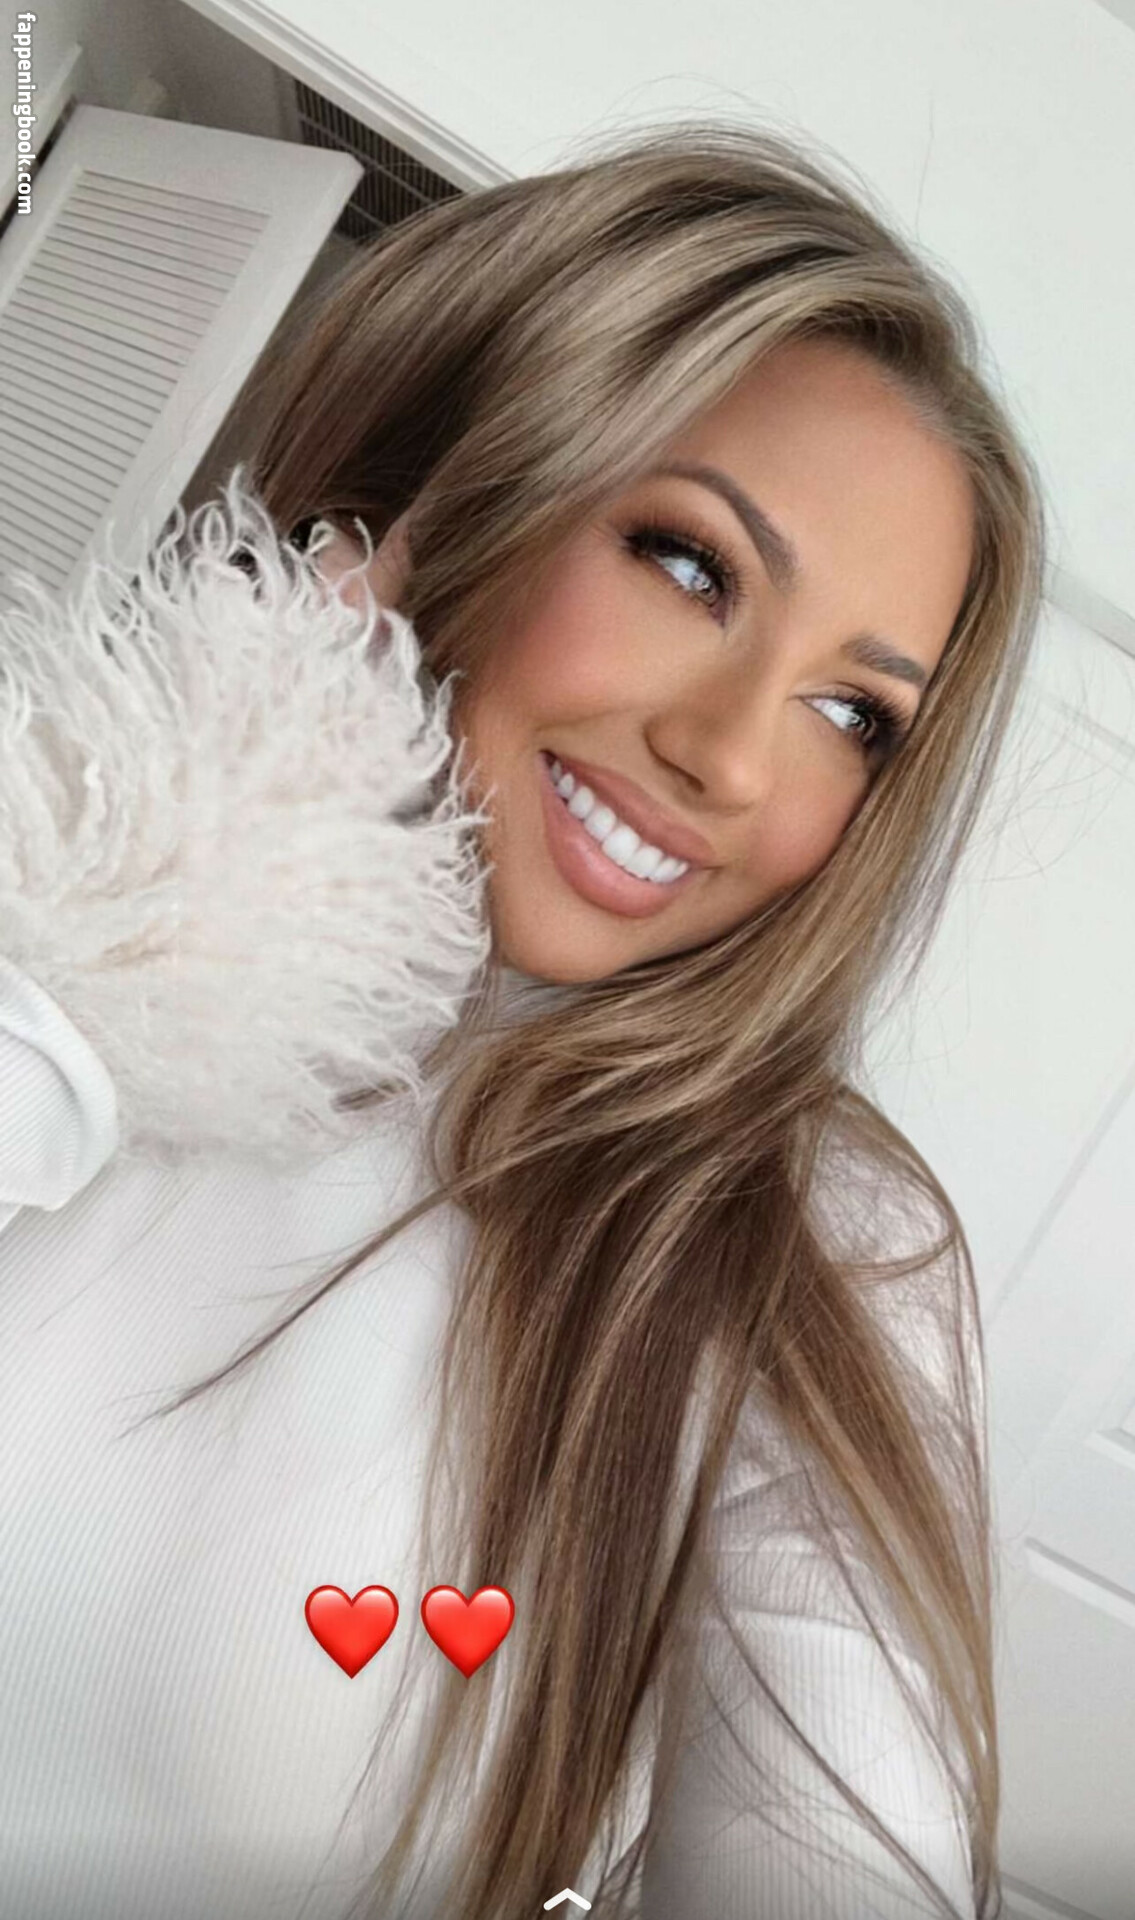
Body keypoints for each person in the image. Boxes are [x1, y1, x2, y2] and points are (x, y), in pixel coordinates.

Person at [0, 122, 1044, 1920]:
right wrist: (156, 883)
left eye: (853, 716)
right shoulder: (61, 841)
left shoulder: (812, 1245)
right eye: (692, 567)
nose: (729, 758)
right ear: (455, 477)